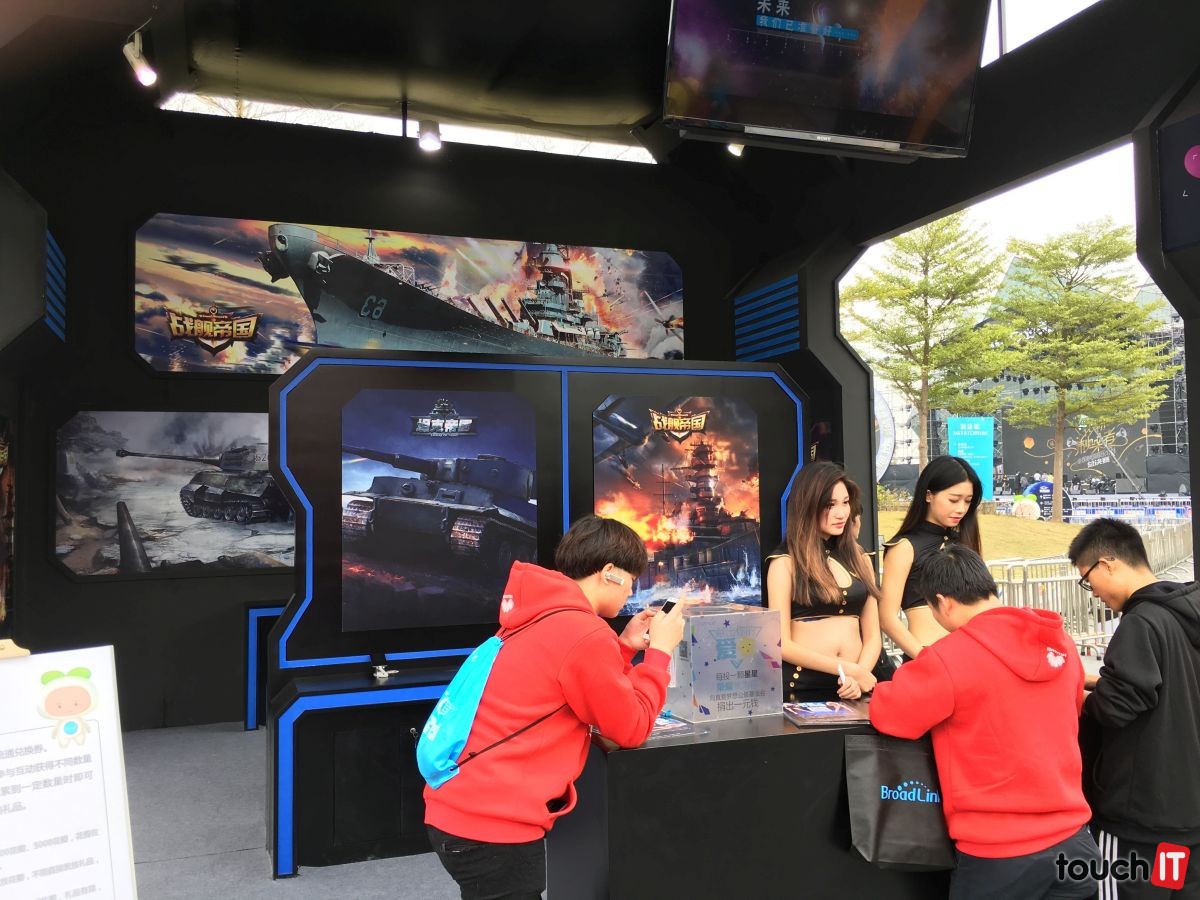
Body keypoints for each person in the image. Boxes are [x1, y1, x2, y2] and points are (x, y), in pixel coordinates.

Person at [423, 514, 686, 900]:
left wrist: (624, 647)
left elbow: (566, 678)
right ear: (609, 573)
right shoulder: (584, 631)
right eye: (631, 579)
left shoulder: (543, 612)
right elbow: (631, 727)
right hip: (494, 826)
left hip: (461, 806)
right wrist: (660, 652)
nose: (632, 591)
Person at [870, 545, 1098, 900]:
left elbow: (892, 714)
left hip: (998, 855)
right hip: (1076, 842)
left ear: (943, 603)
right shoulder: (1061, 644)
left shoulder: (949, 657)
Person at [1069, 518, 1200, 899]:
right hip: (1183, 822)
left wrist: (1070, 695)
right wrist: (1097, 681)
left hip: (1139, 826)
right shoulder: (1183, 612)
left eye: (1087, 580)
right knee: (1173, 888)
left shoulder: (1140, 622)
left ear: (1107, 564)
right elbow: (1163, 686)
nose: (1093, 593)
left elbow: (1117, 706)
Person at [765, 462, 882, 702]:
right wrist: (848, 669)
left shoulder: (861, 559)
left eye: (845, 502)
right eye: (830, 505)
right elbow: (781, 643)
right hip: (803, 690)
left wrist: (859, 674)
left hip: (855, 687)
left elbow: (873, 636)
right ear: (808, 505)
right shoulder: (784, 563)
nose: (841, 513)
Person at [880, 455, 983, 660]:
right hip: (926, 654)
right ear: (928, 495)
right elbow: (887, 617)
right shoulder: (904, 547)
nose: (961, 509)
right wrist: (924, 658)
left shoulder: (965, 542)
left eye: (968, 501)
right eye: (953, 500)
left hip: (970, 657)